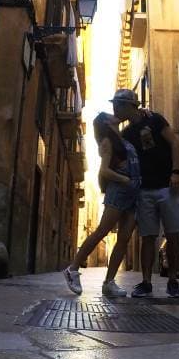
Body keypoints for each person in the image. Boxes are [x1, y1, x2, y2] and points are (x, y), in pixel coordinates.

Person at [110, 89, 179, 299]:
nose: (114, 109)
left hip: (167, 187)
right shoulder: (125, 134)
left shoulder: (156, 120)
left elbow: (175, 144)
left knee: (172, 235)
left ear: (128, 105)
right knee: (148, 237)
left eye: (117, 105)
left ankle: (173, 281)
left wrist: (176, 172)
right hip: (144, 190)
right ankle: (146, 282)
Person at [63, 112, 141, 297]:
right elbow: (104, 171)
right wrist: (124, 179)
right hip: (119, 190)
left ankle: (109, 282)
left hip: (132, 193)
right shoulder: (107, 141)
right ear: (106, 122)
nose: (116, 114)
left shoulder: (122, 139)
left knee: (124, 238)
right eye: (111, 115)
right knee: (102, 231)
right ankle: (72, 269)